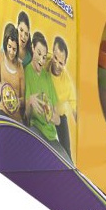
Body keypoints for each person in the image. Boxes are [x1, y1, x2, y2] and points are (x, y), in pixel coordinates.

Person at [24, 32, 68, 160]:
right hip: (36, 130)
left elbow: (58, 118)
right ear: (32, 48)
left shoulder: (47, 77)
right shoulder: (27, 72)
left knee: (67, 162)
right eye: (38, 54)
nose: (41, 60)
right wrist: (30, 101)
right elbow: (26, 116)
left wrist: (54, 118)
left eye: (44, 57)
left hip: (51, 136)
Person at [47, 36, 76, 161]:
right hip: (45, 111)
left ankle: (69, 166)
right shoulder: (44, 61)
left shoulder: (66, 82)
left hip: (59, 115)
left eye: (61, 63)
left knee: (66, 151)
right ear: (52, 53)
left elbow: (74, 108)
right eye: (55, 58)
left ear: (65, 63)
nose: (57, 65)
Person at [0, 23, 25, 121]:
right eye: (9, 47)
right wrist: (0, 87)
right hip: (2, 109)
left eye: (14, 49)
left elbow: (23, 98)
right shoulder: (0, 56)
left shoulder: (20, 68)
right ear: (5, 44)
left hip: (16, 116)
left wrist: (17, 102)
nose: (11, 52)